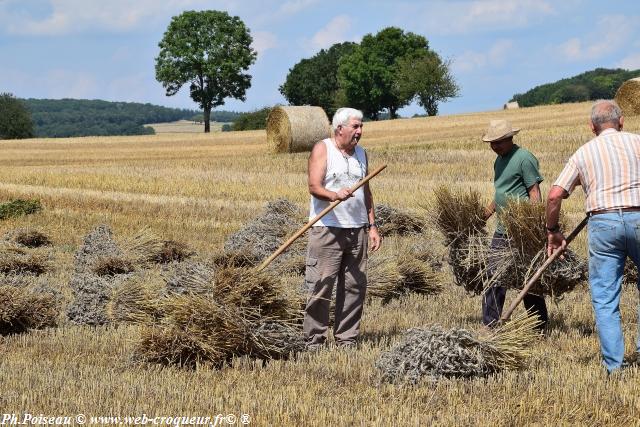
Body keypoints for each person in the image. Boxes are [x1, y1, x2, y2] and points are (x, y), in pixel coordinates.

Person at [546, 99, 640, 373]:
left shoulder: (583, 153)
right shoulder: (637, 142)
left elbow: (553, 195)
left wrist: (552, 232)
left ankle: (614, 366)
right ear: (621, 121)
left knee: (605, 295)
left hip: (603, 222)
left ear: (591, 127)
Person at [302, 107, 382, 349]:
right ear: (340, 129)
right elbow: (314, 186)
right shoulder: (323, 149)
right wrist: (333, 194)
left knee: (354, 287)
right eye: (355, 126)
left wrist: (372, 225)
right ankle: (313, 341)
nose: (360, 131)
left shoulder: (362, 154)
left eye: (361, 126)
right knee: (321, 284)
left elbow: (366, 192)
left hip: (357, 229)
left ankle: (347, 340)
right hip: (328, 228)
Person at [481, 119, 548, 330]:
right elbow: (501, 192)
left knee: (528, 278)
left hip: (521, 229)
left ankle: (538, 325)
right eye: (492, 143)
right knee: (493, 275)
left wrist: (533, 226)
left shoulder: (524, 158)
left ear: (510, 139)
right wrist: (485, 214)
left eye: (498, 142)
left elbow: (534, 193)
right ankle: (490, 324)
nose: (494, 146)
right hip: (502, 229)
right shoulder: (498, 161)